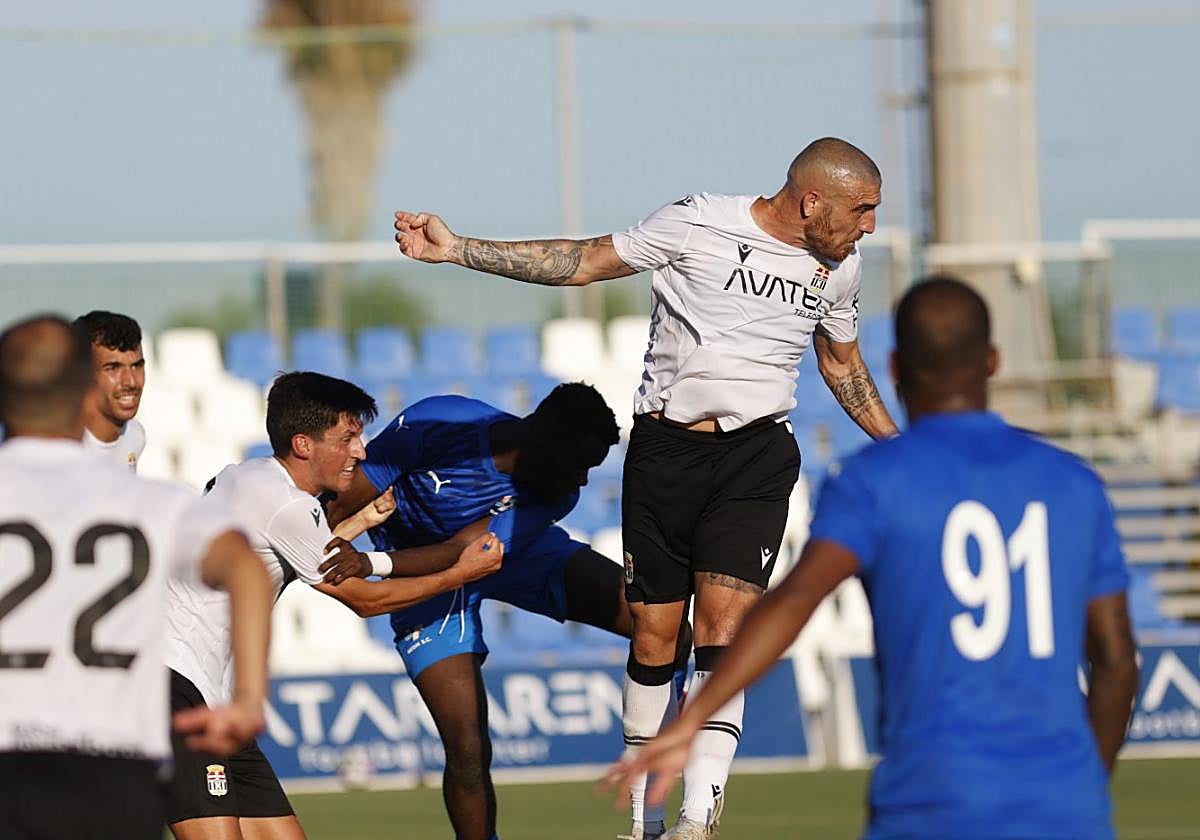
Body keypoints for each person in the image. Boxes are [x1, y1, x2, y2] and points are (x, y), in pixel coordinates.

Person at [393, 136, 899, 838]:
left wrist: (907, 446)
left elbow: (842, 364)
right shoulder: (697, 220)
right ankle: (645, 820)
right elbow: (584, 261)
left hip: (757, 455)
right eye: (863, 209)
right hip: (665, 452)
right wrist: (458, 250)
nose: (870, 225)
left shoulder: (840, 268)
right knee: (658, 635)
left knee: (723, 627)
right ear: (813, 200)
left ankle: (697, 817)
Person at [605, 277, 1140, 839]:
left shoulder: (874, 482)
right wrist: (1086, 782)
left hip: (928, 803)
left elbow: (793, 605)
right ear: (992, 361)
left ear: (895, 368)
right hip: (1066, 811)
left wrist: (690, 719)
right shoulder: (1073, 485)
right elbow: (1115, 660)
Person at [324, 383, 690, 840]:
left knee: (666, 625)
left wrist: (369, 562)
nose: (581, 482)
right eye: (579, 465)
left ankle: (677, 788)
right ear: (544, 439)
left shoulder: (555, 495)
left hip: (511, 554)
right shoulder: (441, 422)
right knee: (468, 749)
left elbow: (465, 550)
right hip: (426, 581)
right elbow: (340, 502)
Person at [165, 371, 503, 840]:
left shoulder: (246, 476)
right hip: (176, 686)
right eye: (348, 439)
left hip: (211, 694)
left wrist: (363, 519)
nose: (361, 452)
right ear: (303, 445)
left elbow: (301, 556)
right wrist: (458, 574)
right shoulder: (288, 505)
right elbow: (366, 602)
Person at [0, 315, 273, 840]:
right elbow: (245, 567)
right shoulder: (149, 501)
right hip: (114, 760)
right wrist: (247, 699)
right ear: (82, 386)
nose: (128, 381)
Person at [73, 310, 147, 471]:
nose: (131, 382)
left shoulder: (135, 436)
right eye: (113, 368)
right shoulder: (59, 450)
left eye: (137, 366)